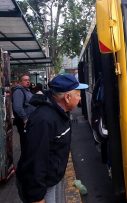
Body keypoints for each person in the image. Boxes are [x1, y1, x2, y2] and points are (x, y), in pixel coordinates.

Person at [16, 74, 88, 203]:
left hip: (52, 179)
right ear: (67, 97)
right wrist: (37, 197)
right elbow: (35, 160)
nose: (80, 97)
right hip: (42, 188)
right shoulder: (44, 120)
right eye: (78, 94)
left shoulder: (60, 112)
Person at [12, 74, 35, 139]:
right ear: (20, 82)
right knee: (25, 141)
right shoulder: (19, 91)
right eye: (25, 80)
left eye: (28, 80)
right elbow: (17, 107)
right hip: (24, 121)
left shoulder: (26, 90)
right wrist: (25, 119)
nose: (28, 81)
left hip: (29, 120)